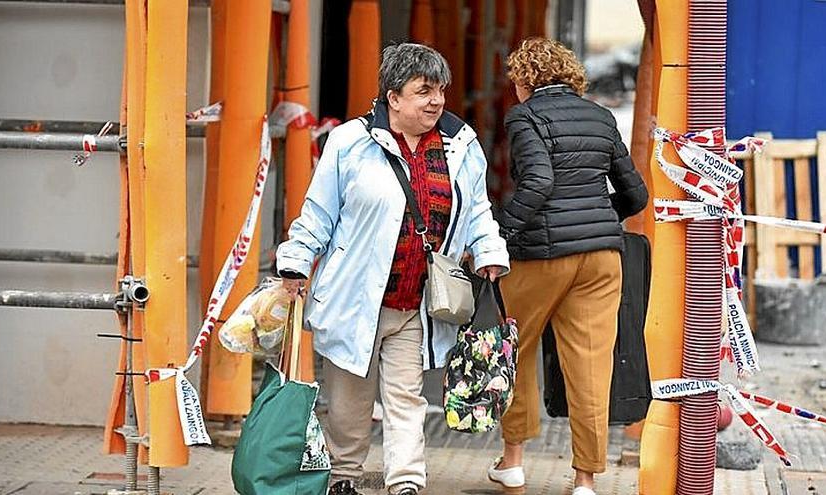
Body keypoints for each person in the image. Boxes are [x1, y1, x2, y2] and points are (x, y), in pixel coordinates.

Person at [276, 42, 509, 495]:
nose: (436, 100)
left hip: (416, 301)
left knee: (406, 397)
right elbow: (318, 213)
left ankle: (405, 482)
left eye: (439, 90)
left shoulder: (462, 146)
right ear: (393, 97)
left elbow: (477, 209)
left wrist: (489, 251)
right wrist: (295, 262)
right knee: (348, 402)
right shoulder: (350, 142)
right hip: (355, 296)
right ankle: (344, 475)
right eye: (423, 91)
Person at [487, 37, 648, 495]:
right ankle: (584, 481)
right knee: (591, 366)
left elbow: (538, 181)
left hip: (541, 255)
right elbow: (636, 195)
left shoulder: (524, 116)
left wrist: (503, 233)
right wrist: (596, 219)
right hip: (601, 259)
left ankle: (513, 461)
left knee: (514, 348)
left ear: (524, 79)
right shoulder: (600, 116)